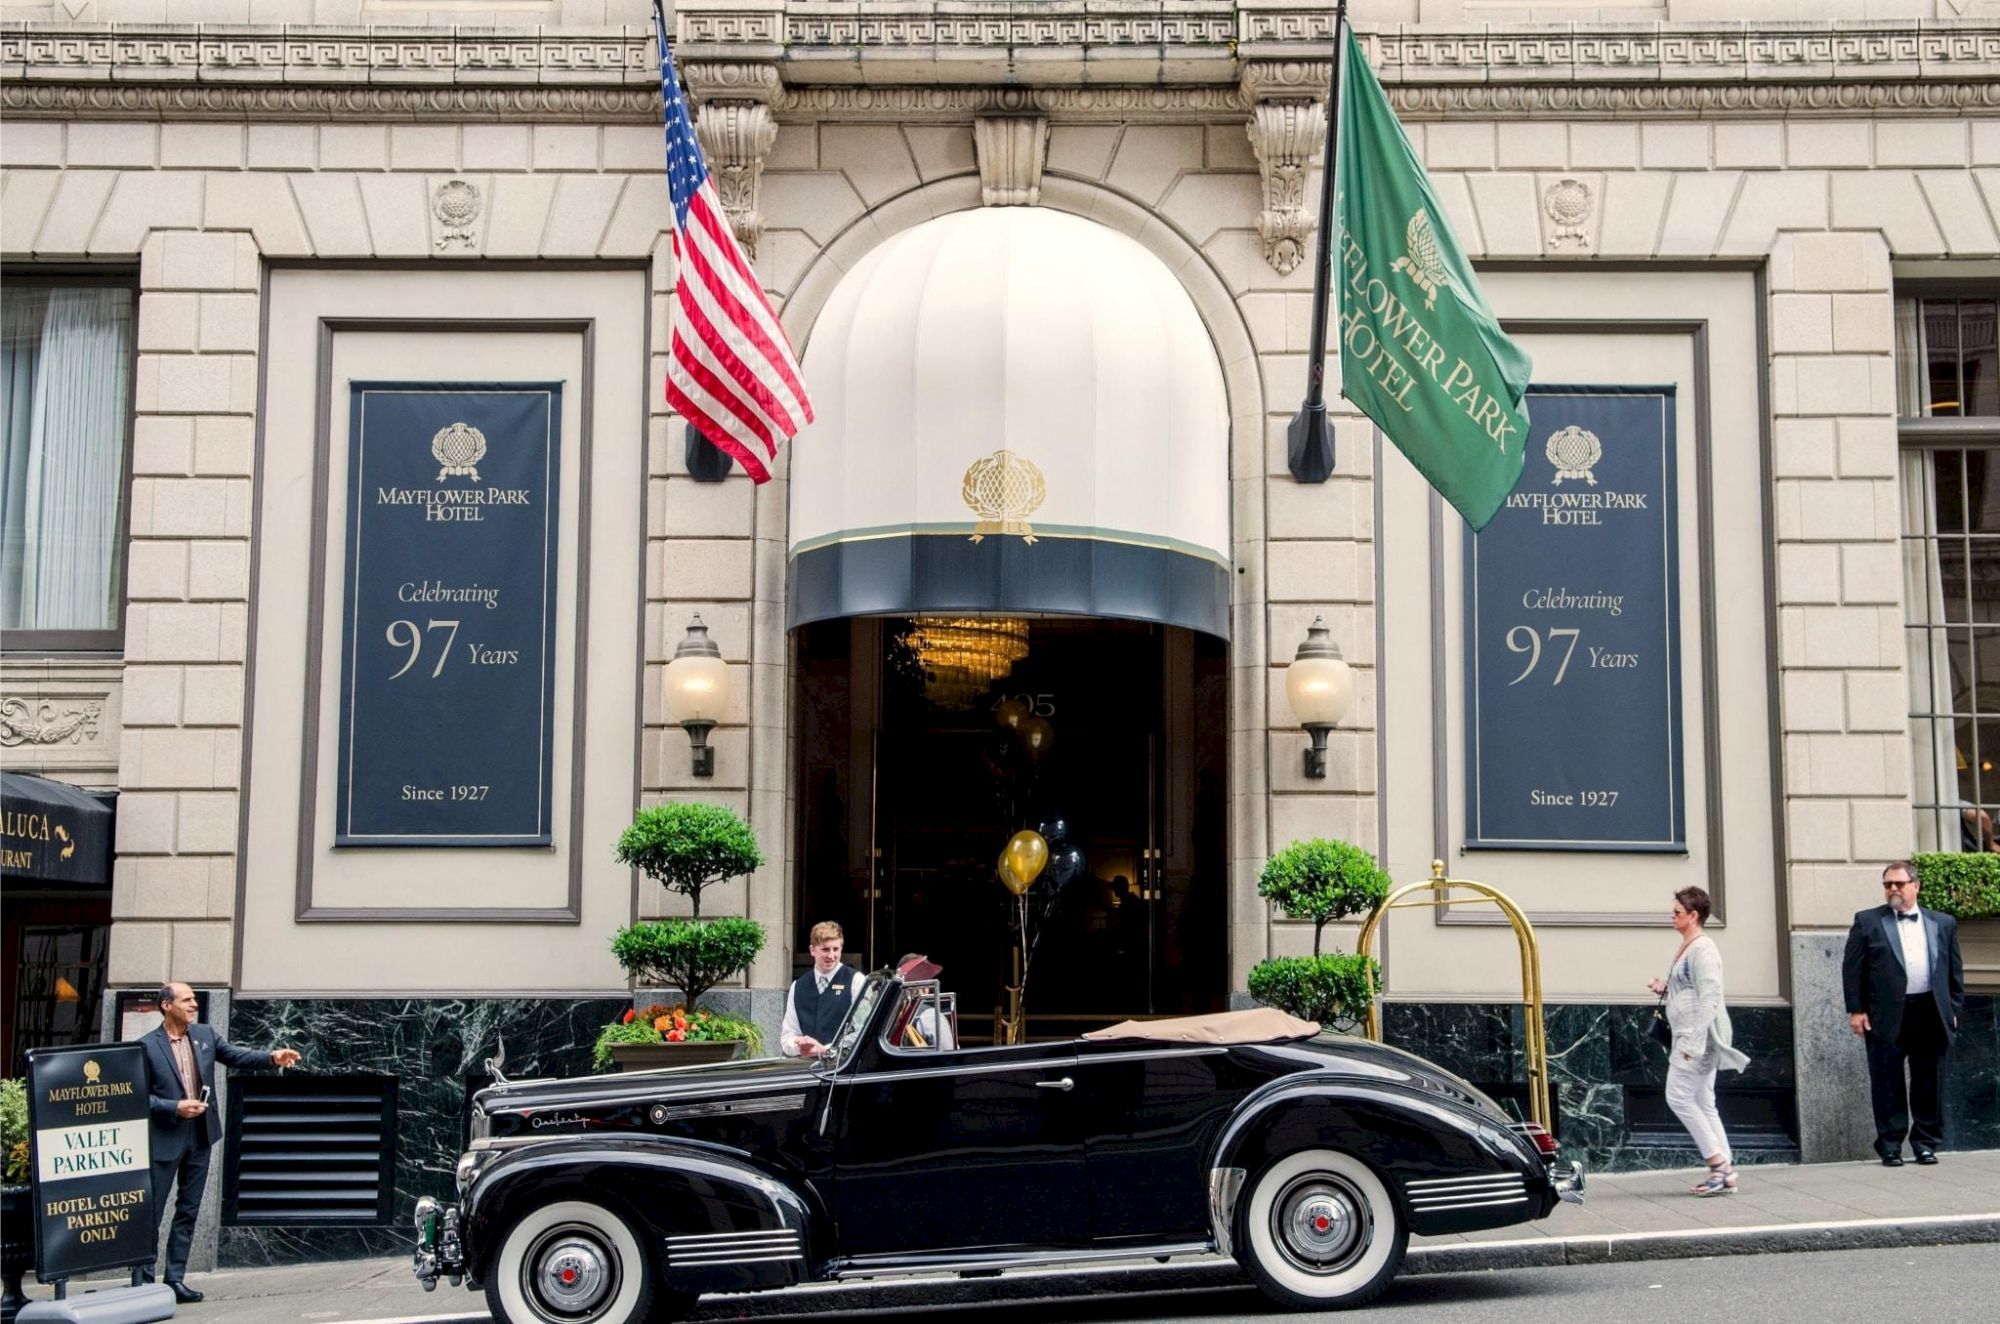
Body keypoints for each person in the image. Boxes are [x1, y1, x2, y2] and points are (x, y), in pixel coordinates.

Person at [141, 982, 303, 1302]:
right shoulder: (147, 1046)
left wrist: (272, 1057)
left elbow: (235, 1055)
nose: (193, 1005)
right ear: (166, 1006)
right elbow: (138, 1098)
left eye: (194, 1000)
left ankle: (175, 1279)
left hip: (200, 1134)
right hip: (165, 1137)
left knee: (188, 1210)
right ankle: (144, 1283)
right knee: (152, 1213)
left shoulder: (204, 1035)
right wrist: (174, 1107)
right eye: (186, 1000)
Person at [1842, 860, 1965, 1167]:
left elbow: (1954, 971)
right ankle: (1890, 1145)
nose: (1893, 889)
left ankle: (1925, 1144)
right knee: (1886, 1081)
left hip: (1930, 1010)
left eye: (1899, 883)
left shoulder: (1943, 923)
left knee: (1929, 1081)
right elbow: (1852, 969)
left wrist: (1953, 1009)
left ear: (1916, 886)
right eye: (1888, 885)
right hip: (1885, 1013)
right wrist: (1856, 1010)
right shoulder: (1868, 921)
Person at [1646, 886, 1748, 1197]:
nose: (1672, 916)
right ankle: (1725, 1171)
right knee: (1704, 1102)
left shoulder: (1703, 950)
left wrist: (1692, 1043)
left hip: (1695, 1039)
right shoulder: (1688, 946)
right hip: (1689, 1036)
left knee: (1678, 1096)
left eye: (1677, 912)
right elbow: (1691, 987)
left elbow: (1709, 999)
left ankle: (1718, 1165)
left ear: (1693, 916)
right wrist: (1665, 986)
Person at [779, 921, 862, 1057]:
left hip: (841, 1069)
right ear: (812, 950)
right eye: (825, 949)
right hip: (805, 1070)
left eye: (835, 949)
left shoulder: (856, 981)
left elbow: (863, 1031)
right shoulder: (798, 986)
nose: (831, 956)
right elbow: (788, 1035)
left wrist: (826, 1050)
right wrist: (800, 1045)